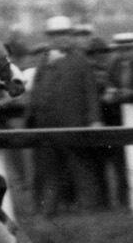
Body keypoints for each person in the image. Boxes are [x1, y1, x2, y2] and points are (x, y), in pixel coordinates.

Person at [25, 15, 106, 214]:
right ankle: (48, 209)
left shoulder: (80, 60)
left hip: (73, 124)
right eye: (54, 35)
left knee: (80, 167)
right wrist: (31, 115)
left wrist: (95, 120)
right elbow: (37, 89)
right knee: (49, 169)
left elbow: (90, 93)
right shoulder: (45, 59)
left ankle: (90, 208)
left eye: (63, 34)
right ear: (49, 37)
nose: (59, 39)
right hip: (46, 124)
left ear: (70, 36)